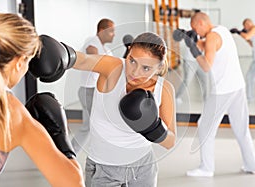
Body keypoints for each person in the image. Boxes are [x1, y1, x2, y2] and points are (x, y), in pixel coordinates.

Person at [0, 13, 84, 187]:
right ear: (19, 63)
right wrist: (60, 135)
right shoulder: (9, 111)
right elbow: (72, 182)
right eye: (28, 61)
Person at [73, 32, 177, 186]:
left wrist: (152, 128)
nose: (134, 72)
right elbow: (83, 61)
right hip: (103, 169)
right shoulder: (113, 67)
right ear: (128, 53)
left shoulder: (165, 89)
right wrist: (60, 55)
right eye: (132, 61)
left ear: (159, 67)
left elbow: (170, 142)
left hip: (143, 170)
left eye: (146, 68)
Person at [184, 12, 255, 177]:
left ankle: (206, 168)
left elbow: (206, 66)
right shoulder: (222, 30)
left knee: (204, 125)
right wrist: (192, 41)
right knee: (241, 128)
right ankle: (252, 165)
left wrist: (192, 49)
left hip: (223, 90)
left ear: (201, 23)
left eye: (194, 28)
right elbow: (207, 46)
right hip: (238, 87)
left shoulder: (211, 37)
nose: (195, 31)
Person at [71, 18, 115, 153]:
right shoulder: (92, 42)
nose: (114, 34)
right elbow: (94, 58)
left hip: (98, 91)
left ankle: (69, 152)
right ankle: (70, 153)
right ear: (102, 30)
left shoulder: (107, 50)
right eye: (111, 31)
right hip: (88, 90)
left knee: (92, 125)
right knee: (92, 125)